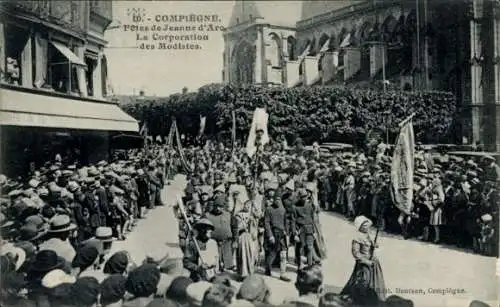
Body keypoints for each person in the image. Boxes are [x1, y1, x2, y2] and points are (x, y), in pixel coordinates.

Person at [341, 215, 386, 302]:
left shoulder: (367, 235)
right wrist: (366, 261)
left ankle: (373, 297)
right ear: (360, 226)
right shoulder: (357, 238)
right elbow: (356, 253)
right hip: (364, 263)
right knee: (363, 281)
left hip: (373, 261)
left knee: (374, 282)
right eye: (363, 225)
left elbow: (372, 244)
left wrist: (375, 244)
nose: (366, 227)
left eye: (367, 225)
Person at [263, 191, 290, 282]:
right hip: (273, 234)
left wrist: (286, 231)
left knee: (283, 254)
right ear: (273, 199)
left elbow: (286, 221)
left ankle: (283, 274)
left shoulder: (283, 209)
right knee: (272, 253)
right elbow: (266, 223)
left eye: (279, 199)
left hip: (281, 234)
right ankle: (268, 268)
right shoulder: (269, 209)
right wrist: (270, 235)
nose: (278, 201)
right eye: (276, 199)